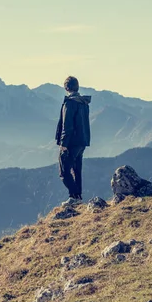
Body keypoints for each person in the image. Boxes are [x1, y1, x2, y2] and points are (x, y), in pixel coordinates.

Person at [55, 76, 91, 206]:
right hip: (82, 141)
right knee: (76, 169)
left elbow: (67, 125)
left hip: (71, 143)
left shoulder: (70, 103)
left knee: (64, 171)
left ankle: (74, 196)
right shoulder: (83, 102)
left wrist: (63, 144)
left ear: (66, 88)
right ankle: (78, 197)